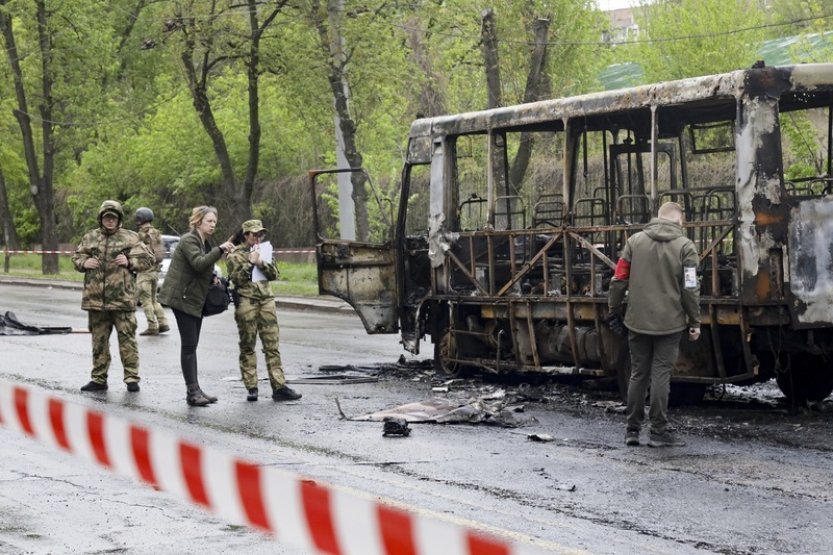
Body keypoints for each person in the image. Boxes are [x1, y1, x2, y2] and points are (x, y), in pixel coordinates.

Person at [608, 201, 701, 448]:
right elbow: (690, 288)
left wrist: (613, 309)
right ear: (679, 220)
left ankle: (632, 430)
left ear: (657, 218)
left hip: (636, 320)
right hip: (670, 323)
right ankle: (658, 431)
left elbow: (619, 278)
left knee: (638, 373)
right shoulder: (686, 247)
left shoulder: (634, 242)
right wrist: (695, 321)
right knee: (661, 374)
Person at [72, 200, 156, 392]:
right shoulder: (90, 237)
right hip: (96, 301)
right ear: (101, 218)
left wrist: (129, 261)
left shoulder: (131, 238)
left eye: (113, 217)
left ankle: (132, 378)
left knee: (127, 340)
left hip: (122, 300)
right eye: (107, 217)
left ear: (119, 219)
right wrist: (84, 262)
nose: (110, 221)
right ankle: (99, 379)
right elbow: (77, 257)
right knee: (98, 342)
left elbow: (148, 259)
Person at [158, 206, 234, 407]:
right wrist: (221, 249)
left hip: (193, 298)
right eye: (209, 221)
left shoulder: (203, 242)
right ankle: (192, 392)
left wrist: (214, 278)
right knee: (189, 346)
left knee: (192, 346)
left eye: (214, 222)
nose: (213, 225)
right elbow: (199, 263)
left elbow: (201, 270)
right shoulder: (189, 240)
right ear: (198, 221)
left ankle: (196, 389)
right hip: (182, 298)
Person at [226, 220, 301, 402]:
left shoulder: (265, 251)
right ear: (245, 235)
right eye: (254, 234)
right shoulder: (234, 255)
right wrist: (250, 263)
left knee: (272, 346)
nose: (258, 237)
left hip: (266, 301)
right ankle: (252, 387)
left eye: (260, 234)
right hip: (247, 302)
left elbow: (274, 273)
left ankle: (279, 387)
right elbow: (237, 278)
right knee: (248, 345)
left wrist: (260, 262)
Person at [134, 207, 170, 336]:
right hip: (155, 272)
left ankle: (152, 326)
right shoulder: (156, 233)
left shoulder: (141, 235)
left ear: (140, 219)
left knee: (146, 301)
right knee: (154, 300)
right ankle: (163, 322)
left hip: (144, 272)